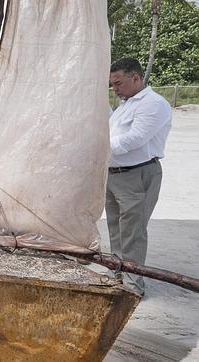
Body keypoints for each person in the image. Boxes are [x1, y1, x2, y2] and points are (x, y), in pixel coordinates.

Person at [106, 58, 172, 296]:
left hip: (138, 174)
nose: (115, 89)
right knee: (116, 227)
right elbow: (113, 132)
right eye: (112, 84)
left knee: (132, 231)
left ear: (136, 78)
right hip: (115, 174)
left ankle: (133, 285)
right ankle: (118, 273)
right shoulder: (126, 104)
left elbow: (135, 139)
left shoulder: (153, 104)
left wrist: (100, 146)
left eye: (118, 83)